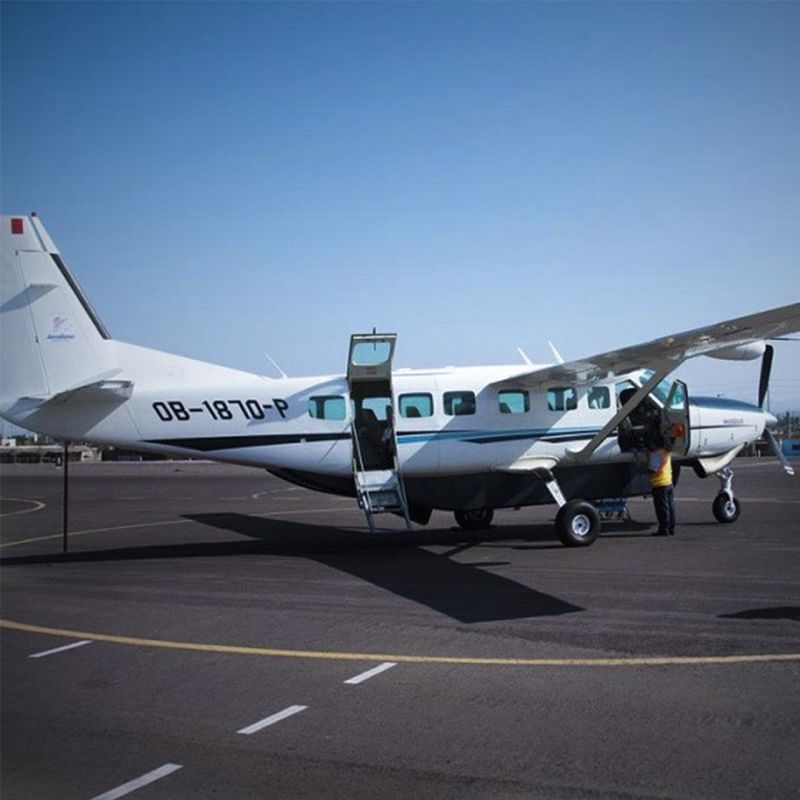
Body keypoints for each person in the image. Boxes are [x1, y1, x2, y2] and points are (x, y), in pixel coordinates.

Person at [648, 433, 675, 536]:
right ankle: (671, 528)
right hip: (668, 482)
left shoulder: (656, 454)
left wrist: (642, 471)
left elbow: (653, 469)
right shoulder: (666, 452)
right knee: (670, 507)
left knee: (662, 509)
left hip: (659, 484)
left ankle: (664, 529)